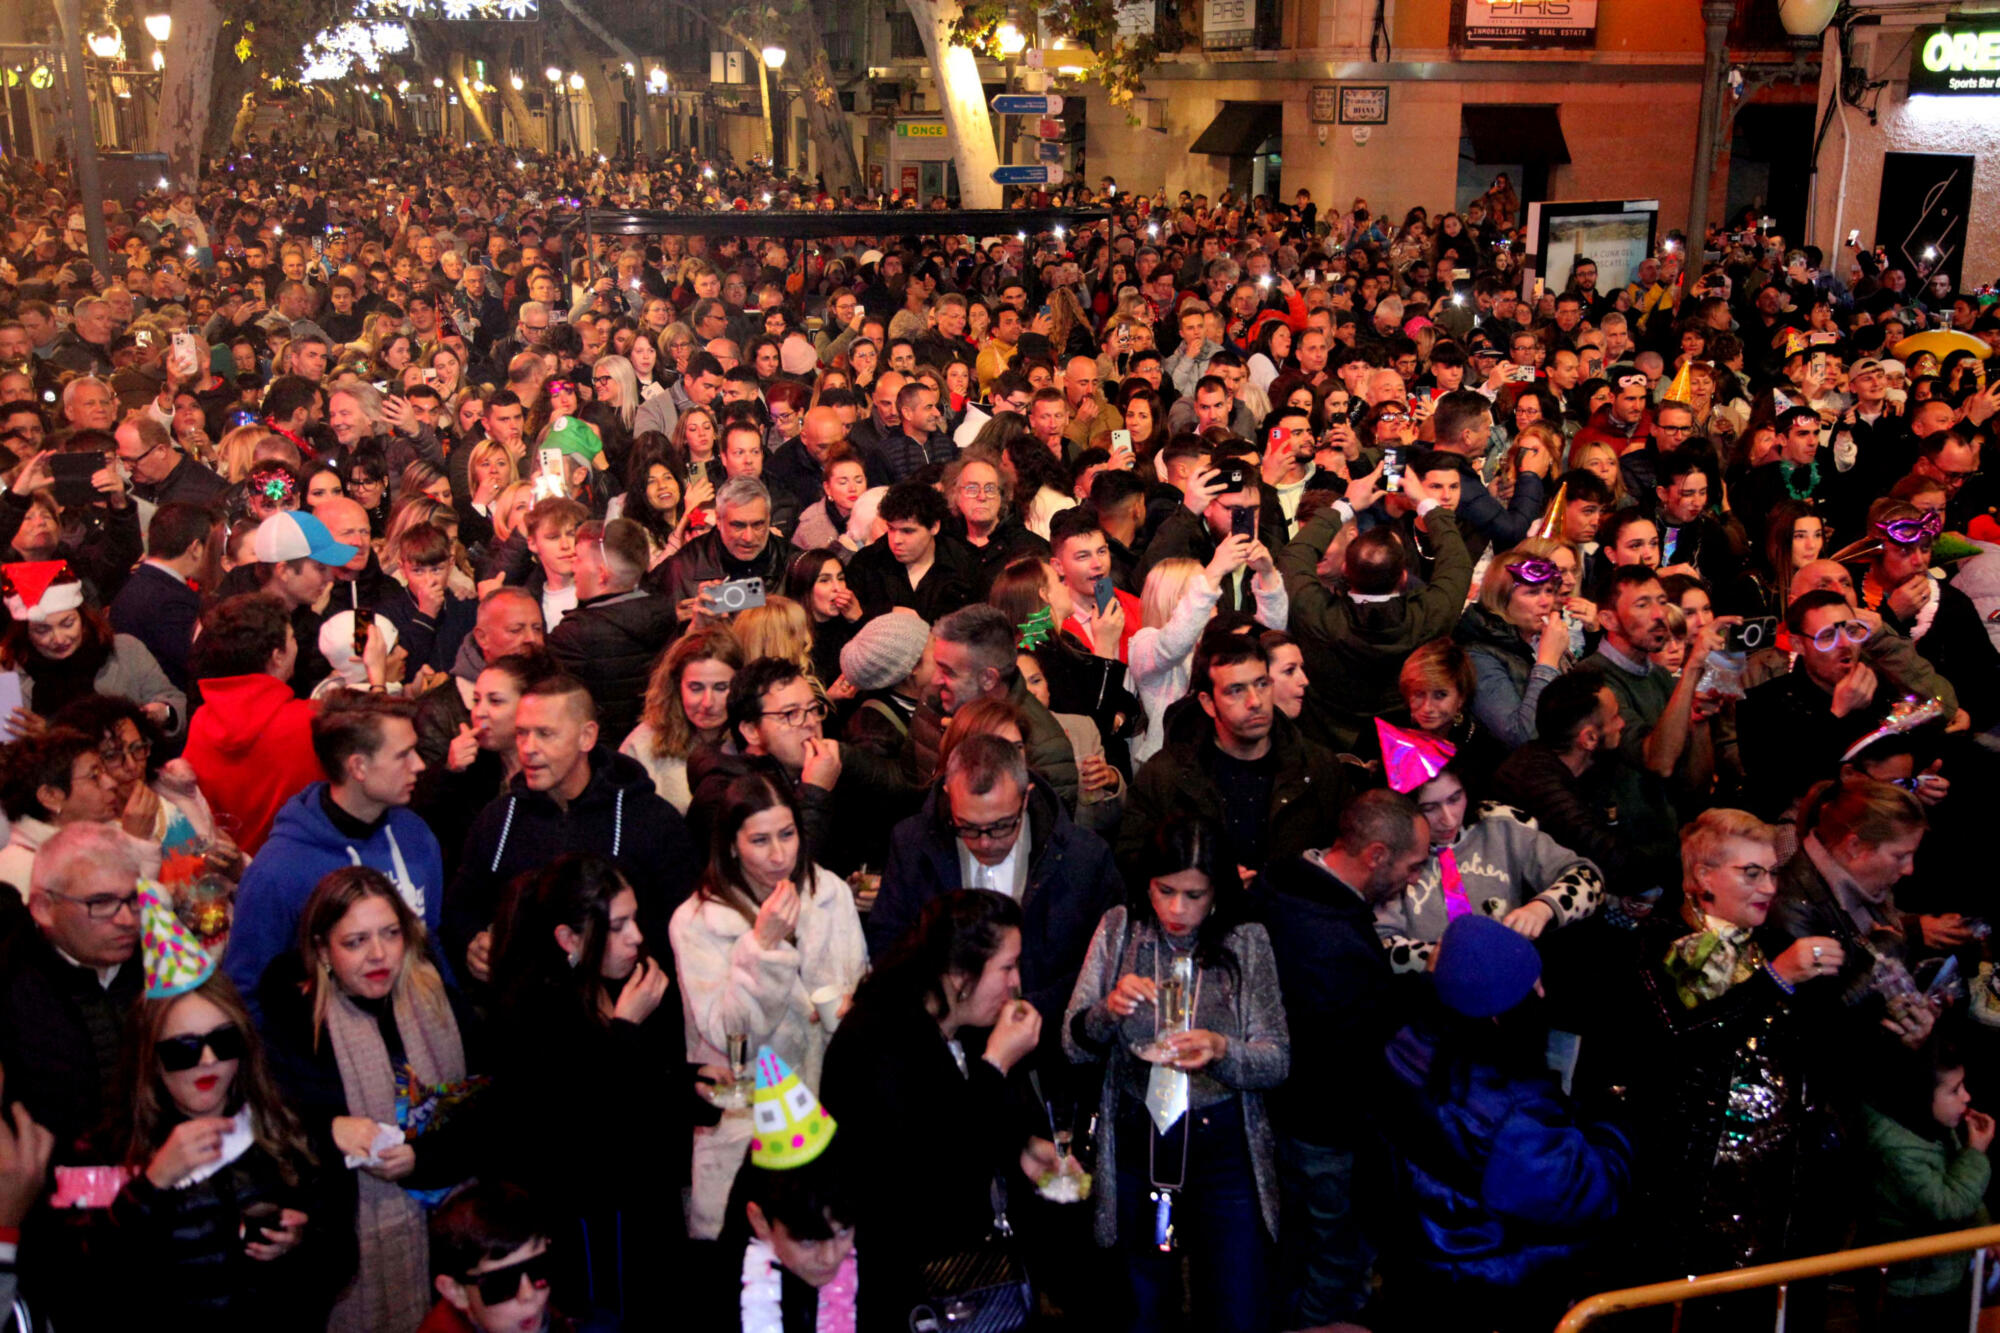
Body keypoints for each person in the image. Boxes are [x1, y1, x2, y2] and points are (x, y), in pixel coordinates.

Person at [1062, 816, 1289, 1332]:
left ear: (1218, 892)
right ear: (1147, 883)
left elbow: (1277, 1060)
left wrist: (1222, 1049)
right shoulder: (1121, 928)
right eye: (1166, 892)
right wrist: (1108, 1011)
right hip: (1139, 1136)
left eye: (1195, 895)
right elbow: (1072, 1045)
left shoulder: (1245, 940)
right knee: (1143, 1304)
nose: (1177, 910)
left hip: (1223, 1142)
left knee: (1237, 1304)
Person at [1614, 808, 1845, 1279]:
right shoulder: (1656, 943)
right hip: (1693, 1183)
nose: (1770, 888)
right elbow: (1679, 1041)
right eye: (1752, 873)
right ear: (1703, 876)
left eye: (1773, 873)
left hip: (1778, 1179)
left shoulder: (1771, 944)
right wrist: (1776, 980)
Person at [1378, 914, 1633, 1332]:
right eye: (1531, 988)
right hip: (1493, 1290)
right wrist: (1614, 1124)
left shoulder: (1410, 1042)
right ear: (1500, 1015)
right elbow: (1589, 1197)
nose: (1543, 992)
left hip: (1420, 1269)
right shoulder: (1510, 1110)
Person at [487, 854, 710, 1323]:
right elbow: (580, 1122)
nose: (637, 936)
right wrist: (627, 1028)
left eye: (635, 918)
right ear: (568, 938)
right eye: (618, 925)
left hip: (643, 1206)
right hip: (588, 1227)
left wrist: (695, 1085)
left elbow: (642, 1089)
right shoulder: (532, 1006)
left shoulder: (617, 983)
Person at [110, 892, 340, 1332]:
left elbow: (337, 1258)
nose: (209, 1061)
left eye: (224, 1040)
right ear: (150, 1058)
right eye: (183, 1049)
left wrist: (302, 1241)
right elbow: (86, 1283)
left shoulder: (284, 1126)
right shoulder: (111, 1147)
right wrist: (154, 1184)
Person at [821, 890, 1051, 1322]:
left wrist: (1020, 1148)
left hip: (960, 1280)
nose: (1015, 982)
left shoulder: (953, 1022)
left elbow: (970, 1123)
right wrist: (997, 1064)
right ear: (959, 972)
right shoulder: (879, 1038)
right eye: (1006, 967)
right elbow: (939, 1167)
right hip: (907, 1290)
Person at [1255, 788, 1430, 1329]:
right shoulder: (1334, 942)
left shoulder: (1278, 884)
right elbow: (1356, 1049)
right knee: (1332, 1267)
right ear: (1376, 854)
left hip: (1281, 1119)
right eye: (1412, 865)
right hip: (1325, 1131)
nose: (1416, 879)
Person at [669, 773, 866, 1239]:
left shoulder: (830, 893)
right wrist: (763, 947)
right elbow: (729, 1034)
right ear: (732, 846)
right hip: (751, 1126)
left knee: (831, 1264)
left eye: (787, 834)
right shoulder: (697, 922)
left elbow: (856, 982)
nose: (779, 855)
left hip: (830, 1113)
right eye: (760, 840)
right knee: (754, 1282)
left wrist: (847, 1009)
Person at [447, 674, 697, 986]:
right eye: (522, 734)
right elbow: (462, 904)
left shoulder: (649, 820)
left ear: (586, 737)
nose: (529, 748)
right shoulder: (498, 819)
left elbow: (683, 926)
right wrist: (472, 942)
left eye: (545, 734)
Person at [870, 732, 1122, 1035]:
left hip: (1047, 1048)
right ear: (949, 796)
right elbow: (889, 946)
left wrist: (1028, 1010)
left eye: (1002, 826)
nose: (986, 843)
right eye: (968, 827)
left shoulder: (1084, 859)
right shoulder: (913, 845)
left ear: (1026, 797)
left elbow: (1102, 966)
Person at [224, 692, 444, 1013]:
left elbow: (431, 945)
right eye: (404, 755)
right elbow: (247, 994)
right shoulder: (278, 871)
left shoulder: (416, 835)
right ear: (358, 767)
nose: (420, 765)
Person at [1120, 627, 1352, 888]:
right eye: (1236, 690)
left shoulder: (1318, 768)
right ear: (1208, 703)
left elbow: (1344, 859)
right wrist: (1204, 882)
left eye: (1262, 684)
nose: (1255, 701)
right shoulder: (1166, 776)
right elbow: (1133, 863)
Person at [1278, 471, 1473, 750]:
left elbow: (1294, 555)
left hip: (1325, 747)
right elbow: (1457, 562)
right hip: (1400, 747)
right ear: (1403, 578)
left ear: (1347, 568)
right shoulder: (1429, 615)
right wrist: (1426, 504)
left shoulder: (1316, 614)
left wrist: (1345, 505)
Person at [1859, 1034, 1995, 1328]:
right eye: (1955, 1090)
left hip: (1943, 1276)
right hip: (1911, 1292)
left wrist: (1985, 1233)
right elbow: (1949, 1204)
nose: (1967, 1097)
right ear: (1921, 1093)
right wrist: (1976, 1153)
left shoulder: (1929, 1122)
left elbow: (1958, 1178)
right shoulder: (1897, 1150)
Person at [182, 593, 324, 855]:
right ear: (277, 656)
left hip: (230, 872)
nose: (297, 645)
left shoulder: (202, 721)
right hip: (300, 868)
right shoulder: (311, 722)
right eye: (292, 638)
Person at [912, 603, 1079, 808]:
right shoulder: (934, 702)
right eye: (937, 665)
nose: (935, 680)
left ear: (988, 679)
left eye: (948, 672)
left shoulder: (1045, 747)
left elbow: (1048, 831)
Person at [0, 562, 186, 741]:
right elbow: (6, 749)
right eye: (42, 630)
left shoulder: (126, 651)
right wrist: (48, 738)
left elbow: (176, 702)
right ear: (25, 633)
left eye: (67, 624)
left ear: (83, 619)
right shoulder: (8, 671)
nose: (59, 639)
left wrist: (165, 712)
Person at [545, 518, 675, 740]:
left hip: (603, 761)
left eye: (578, 558)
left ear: (603, 574)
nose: (573, 566)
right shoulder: (666, 614)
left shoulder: (573, 635)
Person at [420, 1182, 577, 1333]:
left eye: (538, 1268)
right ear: (457, 1292)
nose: (528, 1294)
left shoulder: (550, 1318)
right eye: (502, 1284)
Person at [1454, 548, 1572, 747]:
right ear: (1502, 598)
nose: (1546, 602)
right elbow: (1520, 735)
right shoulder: (1479, 655)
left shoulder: (1537, 638)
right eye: (1532, 592)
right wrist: (1547, 663)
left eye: (1549, 591)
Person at [621, 627, 744, 812]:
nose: (707, 702)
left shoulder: (754, 738)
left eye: (721, 688)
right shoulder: (641, 746)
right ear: (676, 688)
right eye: (696, 688)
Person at [108, 500, 215, 691]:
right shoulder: (173, 602)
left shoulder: (138, 585)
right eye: (213, 547)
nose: (214, 557)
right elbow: (197, 667)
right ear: (196, 548)